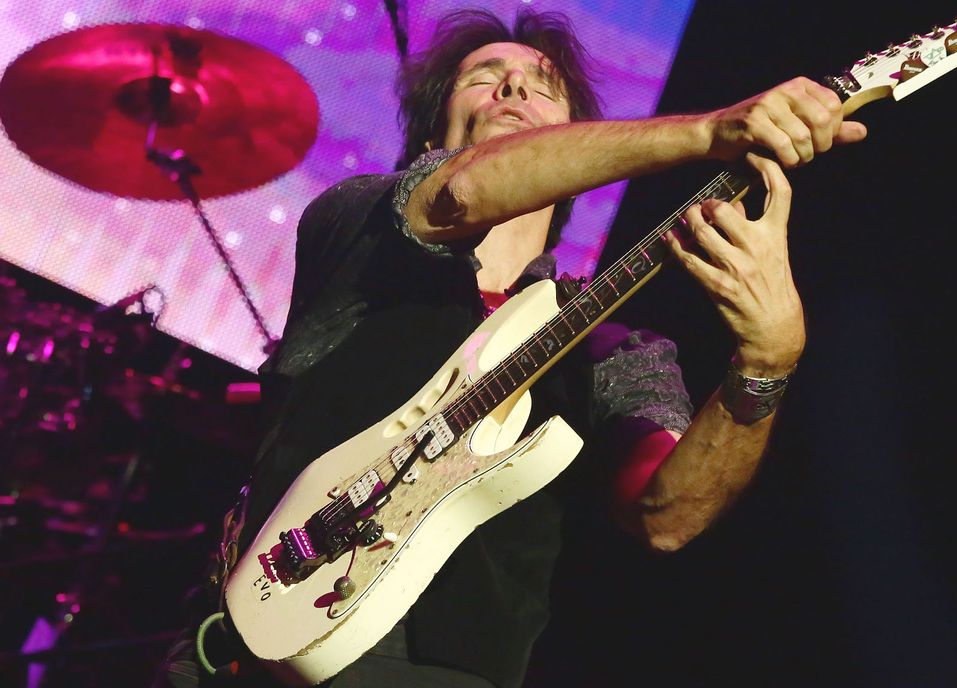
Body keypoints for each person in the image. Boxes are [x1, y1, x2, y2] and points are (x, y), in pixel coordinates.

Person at [153, 7, 865, 688]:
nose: (516, 86)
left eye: (547, 87)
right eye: (482, 76)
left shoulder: (617, 350)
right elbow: (462, 192)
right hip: (237, 653)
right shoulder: (355, 231)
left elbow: (668, 514)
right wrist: (711, 131)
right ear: (431, 144)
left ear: (578, 159)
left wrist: (766, 366)